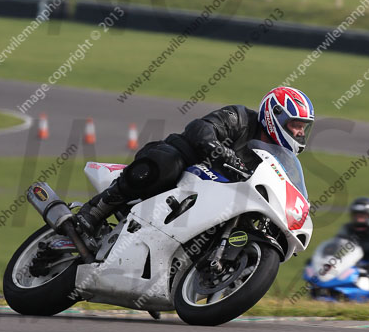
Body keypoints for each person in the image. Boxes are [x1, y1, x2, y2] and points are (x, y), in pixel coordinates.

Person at [75, 85, 314, 236]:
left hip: (214, 198)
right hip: (184, 164)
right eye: (296, 125)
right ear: (275, 117)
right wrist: (217, 148)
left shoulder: (275, 160)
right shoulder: (239, 118)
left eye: (304, 128)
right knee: (168, 163)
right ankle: (98, 208)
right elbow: (201, 128)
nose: (300, 133)